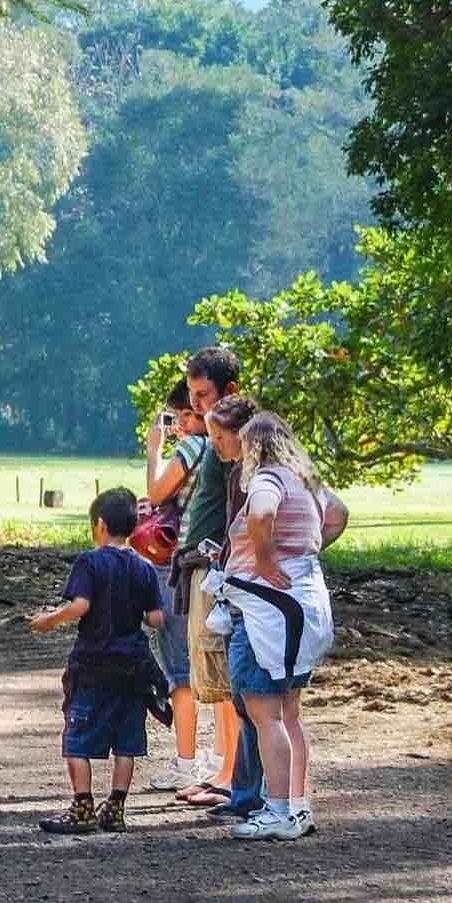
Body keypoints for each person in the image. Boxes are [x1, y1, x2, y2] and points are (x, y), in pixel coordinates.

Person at [209, 408, 340, 841]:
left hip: (267, 613)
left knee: (266, 716)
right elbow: (338, 514)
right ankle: (298, 806)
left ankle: (278, 808)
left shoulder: (267, 479)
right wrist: (304, 552)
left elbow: (261, 514)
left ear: (255, 446)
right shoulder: (306, 481)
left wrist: (266, 560)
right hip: (303, 605)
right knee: (289, 713)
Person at [30, 488, 169, 834]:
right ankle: (116, 807)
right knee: (126, 739)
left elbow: (81, 606)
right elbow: (155, 619)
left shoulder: (90, 562)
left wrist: (49, 620)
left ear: (101, 525)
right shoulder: (145, 568)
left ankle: (82, 806)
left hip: (93, 663)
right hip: (133, 666)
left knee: (77, 736)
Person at [173, 350, 264, 822]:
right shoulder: (216, 438)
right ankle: (223, 768)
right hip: (202, 567)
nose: (198, 406)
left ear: (230, 392)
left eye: (204, 395)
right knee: (211, 677)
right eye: (192, 397)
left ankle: (233, 774)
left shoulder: (237, 442)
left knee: (225, 678)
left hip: (217, 570)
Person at [142, 378, 207, 792]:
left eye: (183, 415)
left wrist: (153, 451)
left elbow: (154, 494)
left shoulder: (191, 448)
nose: (180, 424)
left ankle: (186, 763)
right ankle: (213, 760)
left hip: (175, 565)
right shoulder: (220, 449)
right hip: (204, 565)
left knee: (179, 671)